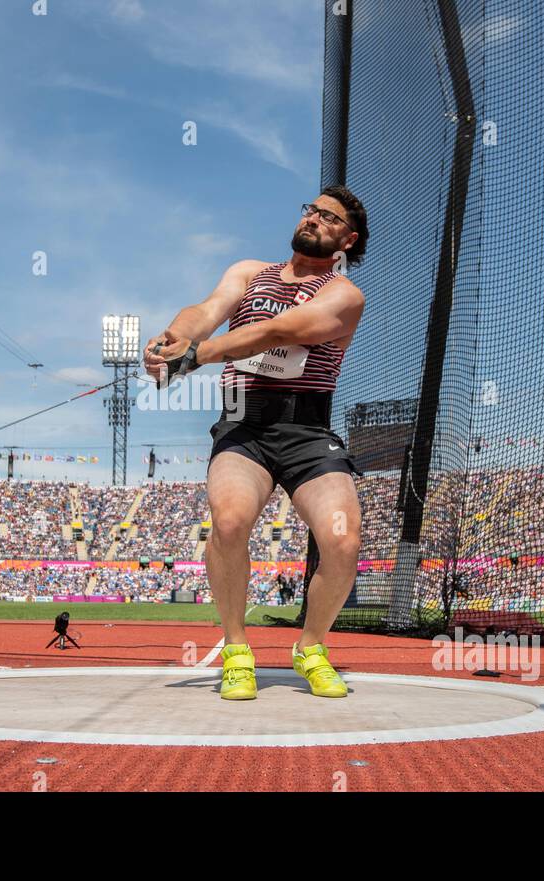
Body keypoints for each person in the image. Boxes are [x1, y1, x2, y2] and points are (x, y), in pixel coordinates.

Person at [145, 186, 369, 700]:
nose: (314, 219)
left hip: (307, 431)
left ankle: (311, 648)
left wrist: (197, 355)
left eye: (328, 218)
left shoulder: (344, 295)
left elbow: (279, 331)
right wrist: (173, 340)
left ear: (346, 239)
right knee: (228, 520)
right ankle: (237, 648)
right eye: (310, 209)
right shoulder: (250, 272)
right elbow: (204, 310)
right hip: (243, 426)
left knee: (342, 538)